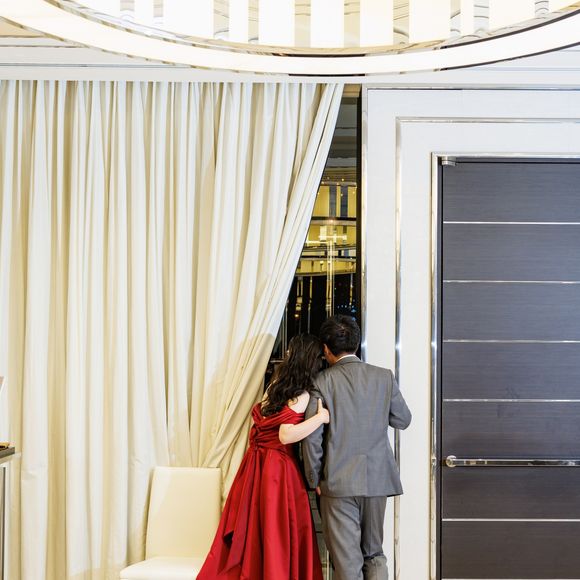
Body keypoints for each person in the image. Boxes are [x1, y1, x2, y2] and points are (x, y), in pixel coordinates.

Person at [197, 334, 329, 580]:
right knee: (277, 530)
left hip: (256, 464)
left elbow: (265, 421)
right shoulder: (303, 394)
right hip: (278, 469)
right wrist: (320, 418)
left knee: (258, 526)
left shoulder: (276, 383)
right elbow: (286, 435)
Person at [302, 315, 412, 580]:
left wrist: (314, 479)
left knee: (347, 562)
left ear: (326, 349)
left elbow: (312, 438)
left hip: (337, 483)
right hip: (377, 480)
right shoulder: (384, 377)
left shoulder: (321, 382)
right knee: (374, 554)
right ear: (356, 343)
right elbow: (403, 419)